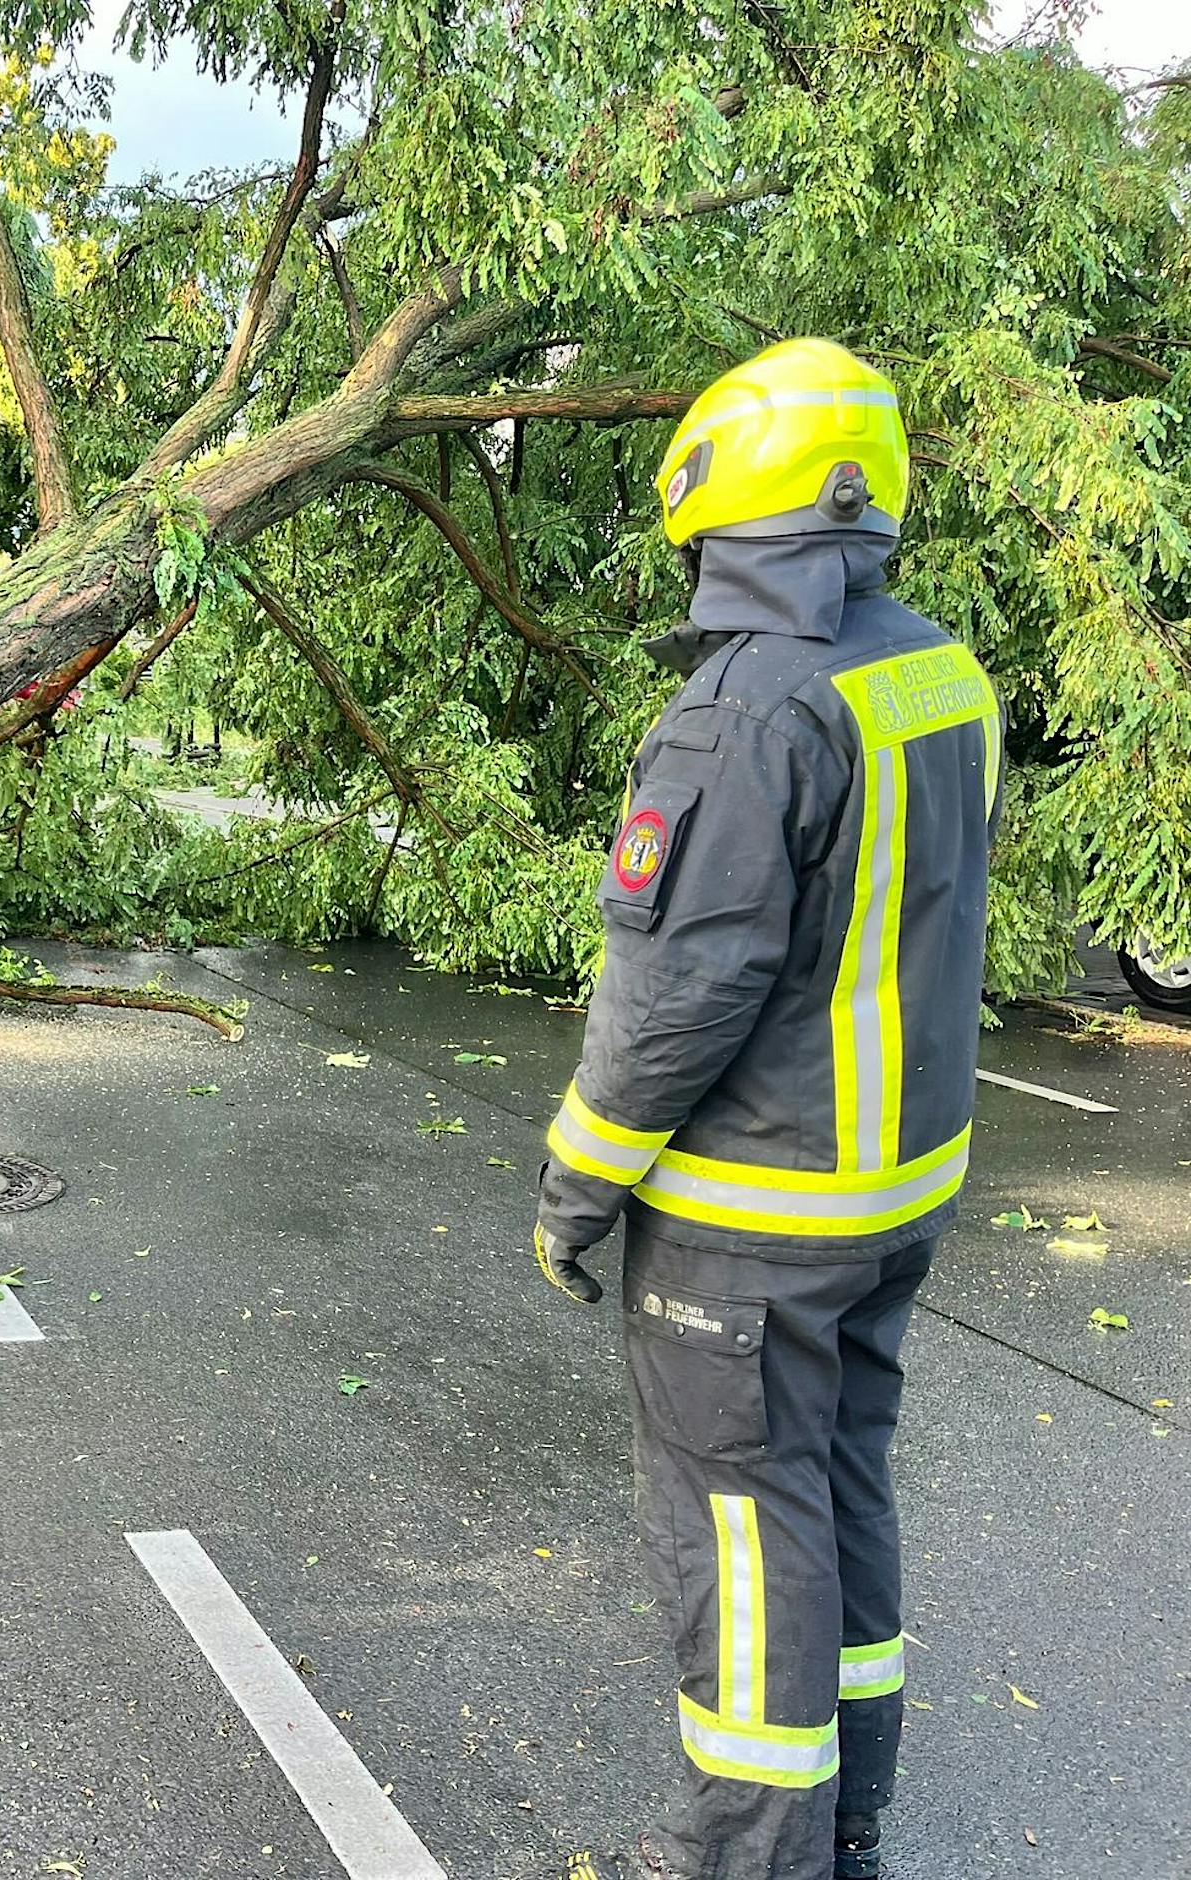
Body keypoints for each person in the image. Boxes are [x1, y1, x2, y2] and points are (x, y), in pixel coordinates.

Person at [532, 340, 1001, 1880]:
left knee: (742, 1539)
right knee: (837, 1486)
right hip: (892, 1200)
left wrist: (574, 1189)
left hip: (753, 1220)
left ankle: (745, 1861)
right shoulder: (937, 672)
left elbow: (680, 997)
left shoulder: (743, 712)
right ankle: (846, 1827)